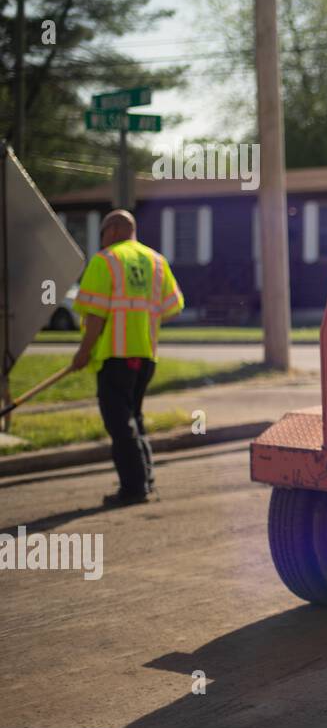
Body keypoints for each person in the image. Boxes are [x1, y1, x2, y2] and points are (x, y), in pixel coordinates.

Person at [69, 210, 184, 506]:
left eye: (104, 232)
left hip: (115, 355)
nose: (102, 239)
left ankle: (134, 489)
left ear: (115, 229)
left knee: (119, 424)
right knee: (134, 418)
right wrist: (144, 323)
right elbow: (173, 308)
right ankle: (145, 480)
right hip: (145, 356)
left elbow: (95, 315)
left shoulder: (105, 260)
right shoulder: (157, 262)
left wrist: (83, 352)